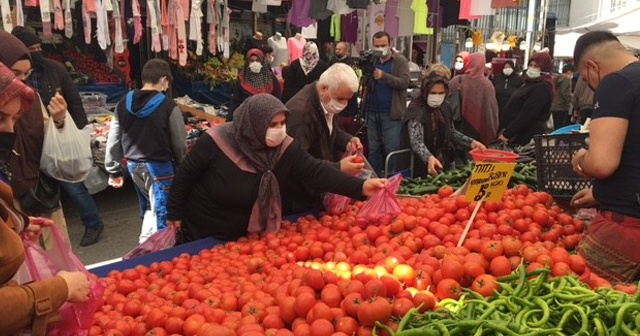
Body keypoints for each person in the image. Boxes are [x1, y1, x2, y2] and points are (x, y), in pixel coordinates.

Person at [165, 94, 386, 243]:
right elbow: (185, 176)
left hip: (245, 234)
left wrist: (362, 187)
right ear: (254, 125)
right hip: (204, 229)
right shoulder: (216, 141)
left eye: (282, 123)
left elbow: (316, 173)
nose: (279, 131)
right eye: (273, 125)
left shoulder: (284, 148)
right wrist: (174, 213)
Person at [0, 61, 91, 336]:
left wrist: (17, 223)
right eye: (0, 118)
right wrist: (58, 289)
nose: (9, 131)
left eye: (14, 120)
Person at [12, 26, 105, 247]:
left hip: (53, 143)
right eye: (30, 49)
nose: (36, 52)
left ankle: (93, 224)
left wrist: (77, 132)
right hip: (23, 168)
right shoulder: (13, 96)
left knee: (72, 187)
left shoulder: (53, 70)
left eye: (37, 48)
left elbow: (73, 100)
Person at [569, 31, 640, 282]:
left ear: (592, 66)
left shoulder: (616, 83)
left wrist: (580, 159)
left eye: (588, 80)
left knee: (589, 301)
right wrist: (601, 193)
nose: (591, 85)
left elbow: (601, 163)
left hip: (627, 224)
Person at [0, 31, 71, 249]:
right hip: (12, 200)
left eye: (26, 74)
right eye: (14, 73)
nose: (22, 81)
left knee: (55, 256)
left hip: (40, 191)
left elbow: (48, 139)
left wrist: (59, 122)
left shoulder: (32, 99)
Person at [105, 59, 187, 244]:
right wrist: (183, 166)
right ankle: (159, 253)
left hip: (134, 167)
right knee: (163, 214)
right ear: (164, 79)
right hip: (159, 169)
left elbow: (114, 138)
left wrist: (113, 168)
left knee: (150, 207)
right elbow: (180, 143)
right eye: (167, 83)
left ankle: (146, 245)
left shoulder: (123, 103)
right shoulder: (168, 106)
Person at [283, 63, 364, 213]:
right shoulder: (301, 114)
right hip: (298, 198)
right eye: (340, 99)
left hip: (317, 187)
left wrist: (347, 140)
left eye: (347, 100)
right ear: (324, 88)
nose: (343, 105)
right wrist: (338, 168)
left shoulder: (325, 101)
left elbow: (329, 131)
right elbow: (297, 164)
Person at [403, 73, 486, 176]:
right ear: (425, 91)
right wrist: (429, 157)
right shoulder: (416, 110)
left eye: (441, 93)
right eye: (433, 93)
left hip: (442, 164)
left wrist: (470, 142)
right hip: (418, 167)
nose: (437, 97)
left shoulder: (445, 107)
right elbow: (416, 142)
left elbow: (450, 132)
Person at [365, 31, 410, 177]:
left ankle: (391, 179)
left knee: (392, 149)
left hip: (391, 113)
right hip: (371, 111)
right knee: (373, 149)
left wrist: (383, 76)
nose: (380, 48)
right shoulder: (371, 60)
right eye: (377, 46)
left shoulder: (400, 61)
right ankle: (374, 179)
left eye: (383, 45)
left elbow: (404, 82)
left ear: (390, 44)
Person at [498, 52, 554, 146]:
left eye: (536, 66)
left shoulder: (542, 87)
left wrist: (507, 134)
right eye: (530, 65)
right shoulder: (529, 83)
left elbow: (528, 114)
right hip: (517, 135)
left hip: (525, 137)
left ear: (544, 68)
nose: (532, 68)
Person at [449, 52, 499, 145]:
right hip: (478, 132)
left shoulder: (457, 80)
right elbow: (491, 112)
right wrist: (492, 135)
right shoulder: (487, 85)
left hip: (456, 128)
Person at [226, 49, 281, 121]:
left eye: (257, 60)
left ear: (262, 61)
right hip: (247, 119)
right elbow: (236, 100)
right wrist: (229, 120)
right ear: (248, 62)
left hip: (267, 118)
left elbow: (277, 100)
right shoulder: (242, 78)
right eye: (252, 60)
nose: (255, 63)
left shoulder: (270, 78)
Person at [549, 64, 574, 130]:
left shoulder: (556, 79)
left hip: (555, 106)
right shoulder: (566, 79)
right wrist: (572, 99)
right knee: (561, 129)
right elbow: (565, 93)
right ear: (569, 72)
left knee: (556, 128)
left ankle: (555, 140)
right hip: (562, 106)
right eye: (572, 73)